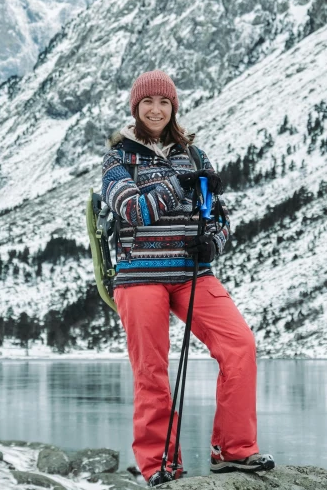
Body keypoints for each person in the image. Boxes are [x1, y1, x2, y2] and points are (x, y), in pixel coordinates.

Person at [101, 70, 275, 486]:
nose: (156, 109)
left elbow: (220, 216)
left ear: (174, 107)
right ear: (136, 108)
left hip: (192, 273)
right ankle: (161, 465)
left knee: (240, 346)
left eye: (164, 102)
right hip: (139, 276)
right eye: (148, 103)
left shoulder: (195, 156)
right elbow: (133, 212)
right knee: (152, 371)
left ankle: (232, 451)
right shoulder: (117, 161)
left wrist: (211, 243)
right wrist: (178, 188)